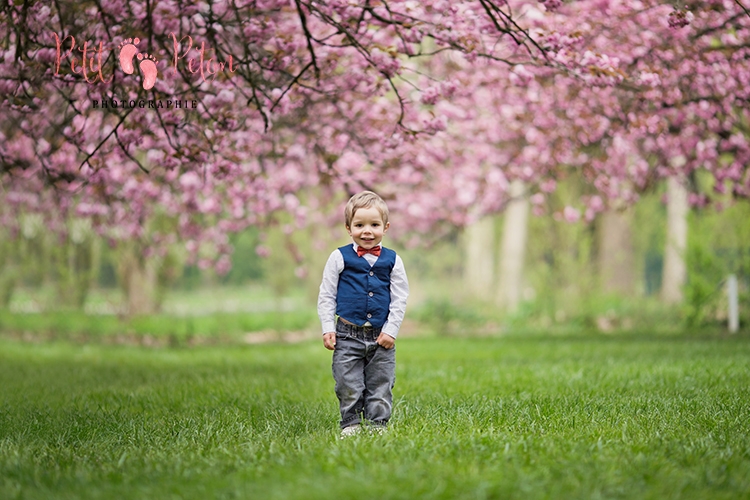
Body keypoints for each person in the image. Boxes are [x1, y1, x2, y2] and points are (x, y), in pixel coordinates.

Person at [317, 191, 409, 437]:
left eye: (374, 225)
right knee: (348, 382)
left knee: (381, 382)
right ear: (348, 228)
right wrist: (328, 327)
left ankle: (378, 425)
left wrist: (391, 330)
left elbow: (400, 298)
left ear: (385, 227)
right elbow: (327, 294)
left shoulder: (393, 260)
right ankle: (351, 424)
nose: (367, 231)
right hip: (347, 334)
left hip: (381, 336)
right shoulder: (338, 257)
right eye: (359, 225)